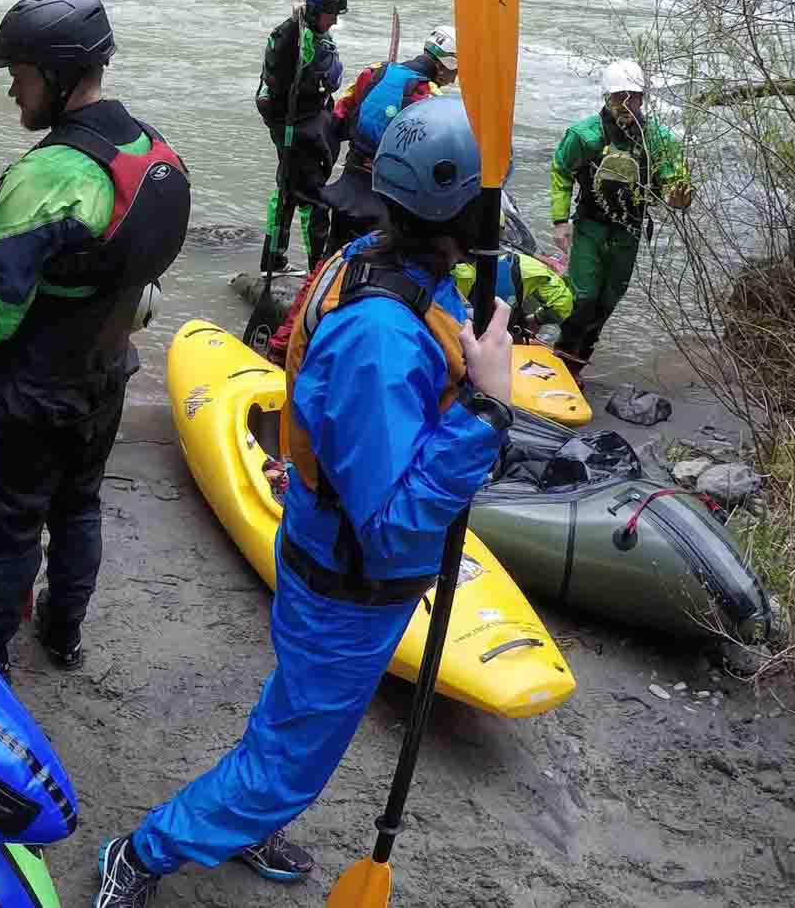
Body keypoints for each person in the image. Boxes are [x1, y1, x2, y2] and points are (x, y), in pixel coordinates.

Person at [89, 94, 515, 905]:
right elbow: (389, 527)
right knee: (287, 769)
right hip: (350, 583)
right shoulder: (378, 335)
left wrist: (477, 362)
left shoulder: (369, 255)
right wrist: (485, 414)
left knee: (291, 721)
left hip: (325, 552)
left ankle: (246, 819)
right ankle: (140, 853)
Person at [0, 0, 190, 681]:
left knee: (9, 527)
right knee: (80, 507)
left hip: (30, 395)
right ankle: (64, 636)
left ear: (55, 75)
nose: (13, 95)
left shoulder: (47, 178)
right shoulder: (155, 152)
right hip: (105, 373)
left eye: (19, 78)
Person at [549, 60, 693, 375]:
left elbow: (674, 184)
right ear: (606, 98)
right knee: (583, 296)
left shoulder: (659, 140)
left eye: (633, 96)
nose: (626, 104)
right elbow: (561, 171)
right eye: (619, 97)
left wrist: (679, 197)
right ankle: (562, 351)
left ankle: (576, 364)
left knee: (608, 300)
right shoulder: (585, 136)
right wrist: (560, 222)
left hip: (628, 230)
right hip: (590, 225)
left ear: (642, 99)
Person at [316, 25, 457, 260]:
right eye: (456, 72)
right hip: (385, 199)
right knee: (372, 266)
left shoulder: (375, 71)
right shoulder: (430, 97)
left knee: (333, 258)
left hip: (347, 184)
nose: (453, 80)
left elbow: (339, 117)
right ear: (445, 66)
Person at [254, 0, 347, 273]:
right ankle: (316, 269)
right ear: (315, 10)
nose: (333, 21)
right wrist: (297, 25)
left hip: (301, 122)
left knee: (287, 190)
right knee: (312, 199)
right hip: (296, 126)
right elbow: (297, 70)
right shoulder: (294, 36)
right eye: (330, 14)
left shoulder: (309, 31)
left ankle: (273, 259)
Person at [453, 248, 575, 342]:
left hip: (455, 337)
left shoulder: (450, 269)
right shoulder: (525, 265)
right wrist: (537, 319)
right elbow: (562, 303)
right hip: (502, 338)